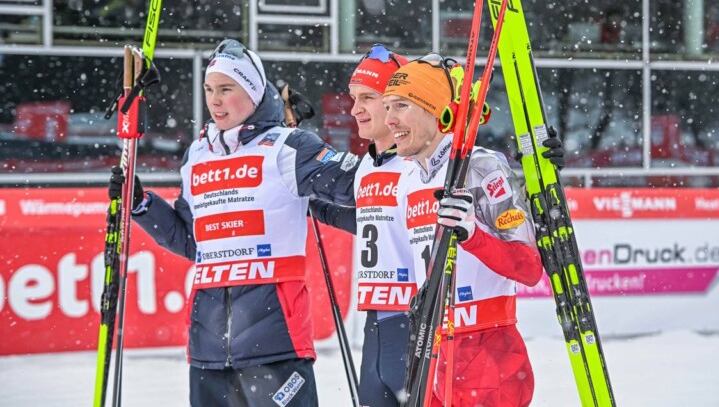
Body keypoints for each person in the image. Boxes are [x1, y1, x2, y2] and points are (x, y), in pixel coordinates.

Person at [108, 39, 359, 407]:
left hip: (275, 343)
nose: (215, 100)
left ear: (255, 93)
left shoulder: (288, 147)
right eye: (210, 89)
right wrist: (141, 204)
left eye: (227, 89)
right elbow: (193, 241)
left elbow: (359, 189)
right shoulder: (197, 155)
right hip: (208, 347)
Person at [381, 55, 562, 407]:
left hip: (489, 353)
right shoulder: (406, 178)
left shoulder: (481, 168)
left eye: (401, 105)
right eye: (387, 106)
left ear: (435, 111)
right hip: (435, 352)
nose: (390, 119)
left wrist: (472, 234)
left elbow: (528, 268)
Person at [310, 44, 417, 407]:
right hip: (376, 320)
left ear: (395, 103)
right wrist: (315, 208)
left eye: (367, 98)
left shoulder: (424, 160)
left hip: (416, 319)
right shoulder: (368, 165)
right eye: (353, 97)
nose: (354, 109)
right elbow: (372, 222)